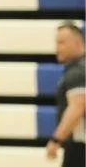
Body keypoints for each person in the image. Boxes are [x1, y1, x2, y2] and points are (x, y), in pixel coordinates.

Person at [47, 21, 85, 166]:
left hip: (80, 149)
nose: (57, 49)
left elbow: (78, 106)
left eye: (62, 43)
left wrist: (56, 139)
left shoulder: (77, 72)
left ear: (78, 42)